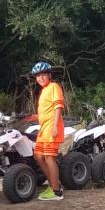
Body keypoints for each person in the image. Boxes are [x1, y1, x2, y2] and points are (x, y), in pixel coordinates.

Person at [29, 62, 65, 201]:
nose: (40, 78)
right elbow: (45, 112)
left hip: (51, 127)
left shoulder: (54, 86)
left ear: (49, 75)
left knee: (49, 157)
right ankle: (54, 184)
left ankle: (56, 192)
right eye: (38, 76)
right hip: (44, 129)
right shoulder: (44, 91)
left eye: (43, 74)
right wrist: (32, 117)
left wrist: (55, 126)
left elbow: (58, 107)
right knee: (38, 156)